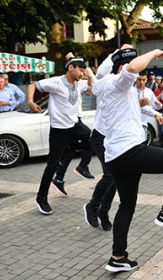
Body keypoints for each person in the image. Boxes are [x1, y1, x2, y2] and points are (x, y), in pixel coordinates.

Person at [93, 47, 163, 272]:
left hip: (116, 156)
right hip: (129, 151)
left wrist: (152, 111)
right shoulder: (118, 81)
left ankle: (118, 257)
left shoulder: (109, 86)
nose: (138, 75)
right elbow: (133, 67)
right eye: (134, 71)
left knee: (126, 205)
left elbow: (126, 108)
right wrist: (154, 52)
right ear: (122, 68)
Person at [27, 56, 93, 215]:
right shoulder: (55, 82)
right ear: (71, 67)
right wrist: (30, 102)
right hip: (59, 130)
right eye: (80, 70)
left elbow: (90, 93)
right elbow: (32, 86)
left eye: (84, 70)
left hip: (73, 124)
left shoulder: (79, 83)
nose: (82, 73)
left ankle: (82, 166)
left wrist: (90, 78)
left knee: (92, 140)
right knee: (52, 164)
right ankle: (41, 197)